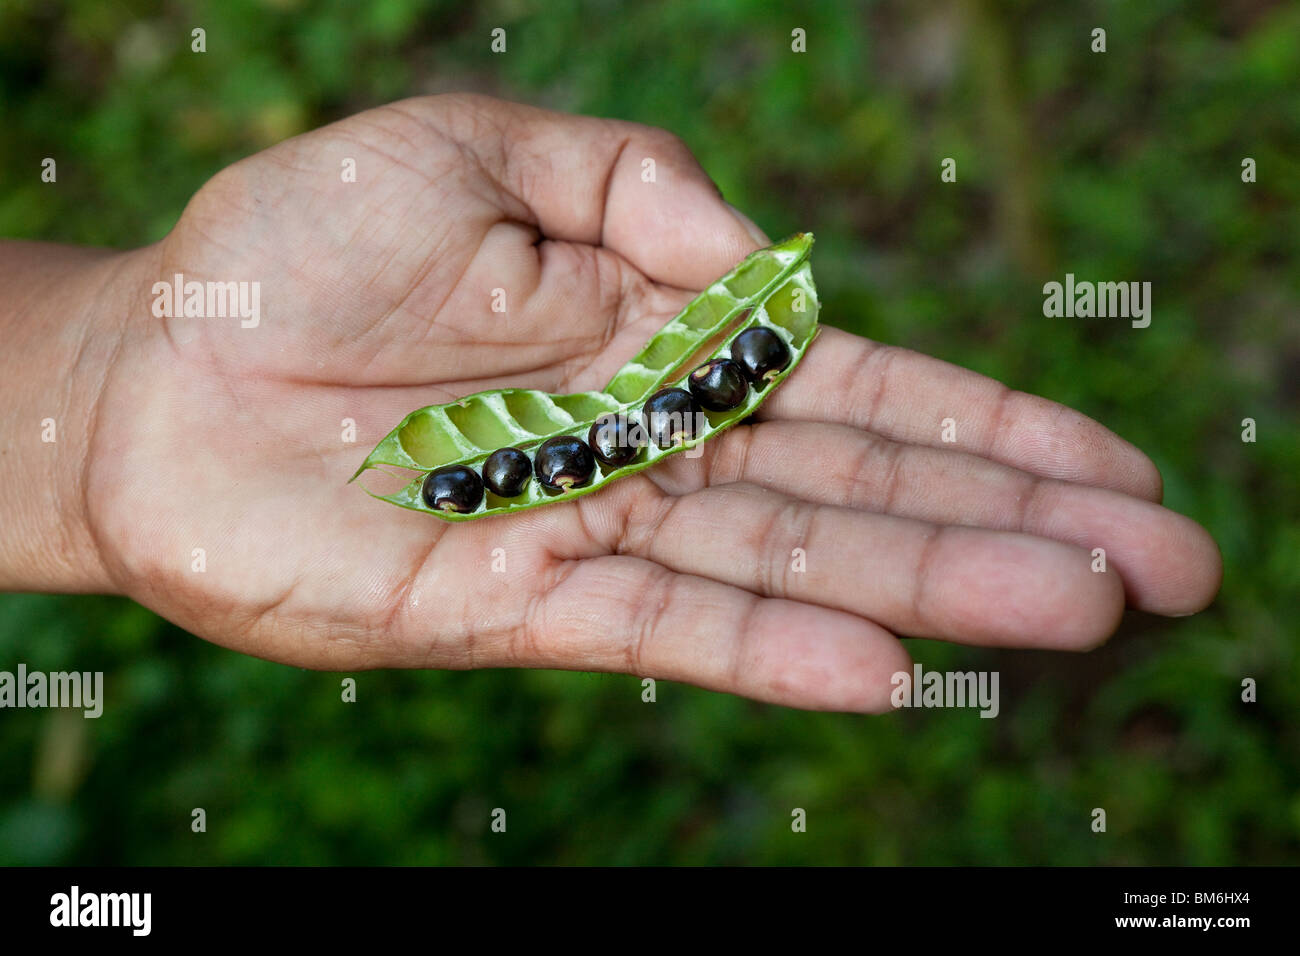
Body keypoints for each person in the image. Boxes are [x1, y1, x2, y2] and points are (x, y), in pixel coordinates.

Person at [0, 94, 1221, 712]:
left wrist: (103, 374)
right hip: (590, 431)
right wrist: (108, 389)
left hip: (628, 414)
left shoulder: (681, 381)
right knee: (508, 452)